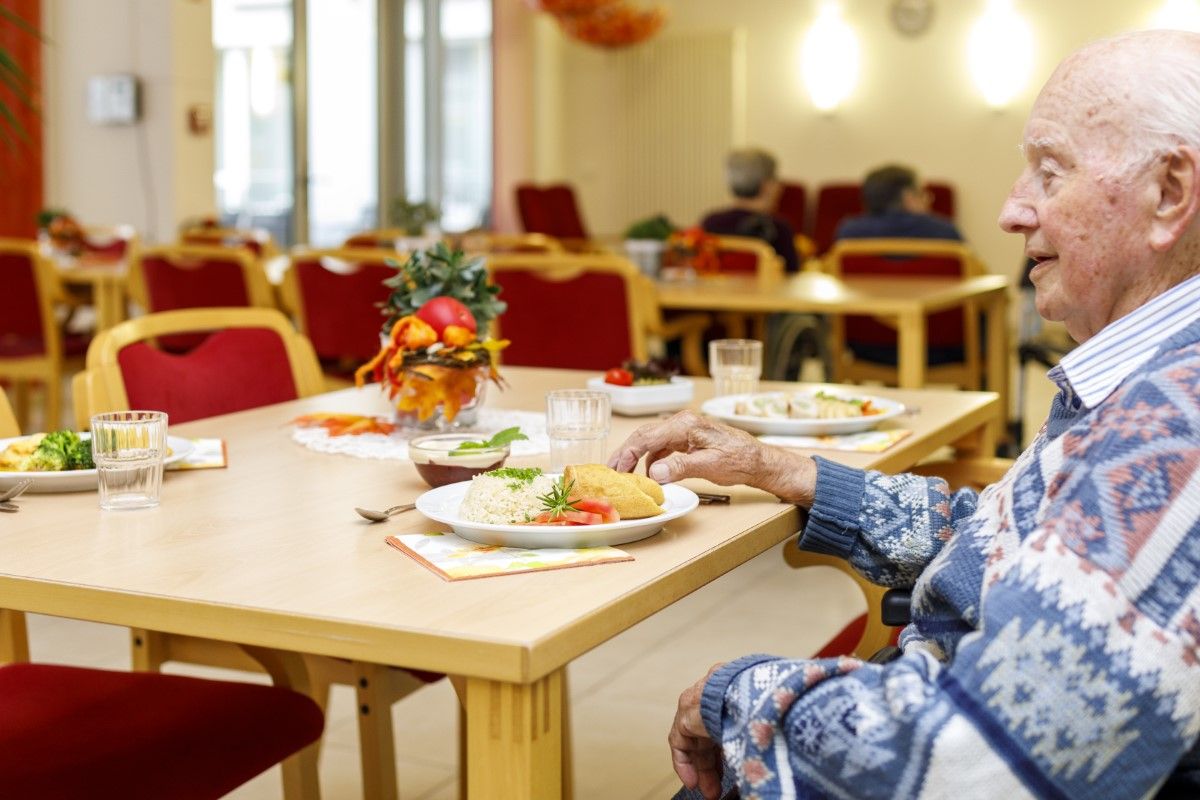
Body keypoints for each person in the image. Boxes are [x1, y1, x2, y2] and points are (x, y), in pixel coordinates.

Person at [609, 29, 1200, 800]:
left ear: (1169, 193)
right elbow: (1005, 544)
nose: (1010, 210)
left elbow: (971, 765)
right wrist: (776, 466)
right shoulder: (1144, 382)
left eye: (1049, 173)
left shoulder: (1175, 430)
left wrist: (739, 694)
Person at [701, 148, 801, 273]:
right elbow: (791, 275)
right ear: (767, 185)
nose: (780, 187)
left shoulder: (710, 222)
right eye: (776, 180)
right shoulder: (779, 229)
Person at [835, 163, 963, 242]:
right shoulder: (945, 232)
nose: (928, 199)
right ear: (908, 198)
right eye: (921, 193)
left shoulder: (849, 233)